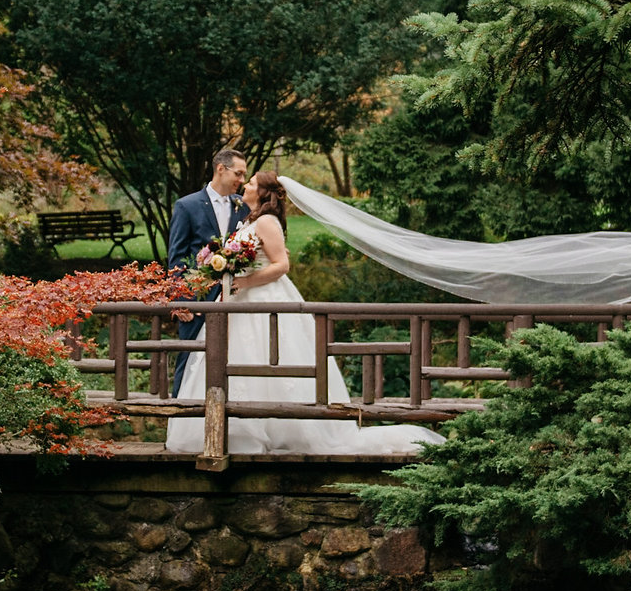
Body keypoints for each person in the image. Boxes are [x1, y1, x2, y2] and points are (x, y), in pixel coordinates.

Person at [167, 170, 445, 455]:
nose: (245, 185)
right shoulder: (249, 219)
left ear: (262, 193)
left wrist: (244, 281)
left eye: (250, 183)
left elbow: (281, 265)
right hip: (239, 302)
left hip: (264, 300)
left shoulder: (266, 221)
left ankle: (278, 430)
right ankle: (230, 429)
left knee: (268, 358)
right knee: (234, 360)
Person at [165, 148, 250, 394]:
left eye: (245, 175)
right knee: (189, 359)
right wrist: (181, 301)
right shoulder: (187, 205)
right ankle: (178, 419)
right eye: (239, 173)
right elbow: (177, 258)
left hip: (235, 299)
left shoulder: (242, 208)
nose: (242, 180)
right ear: (220, 169)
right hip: (197, 300)